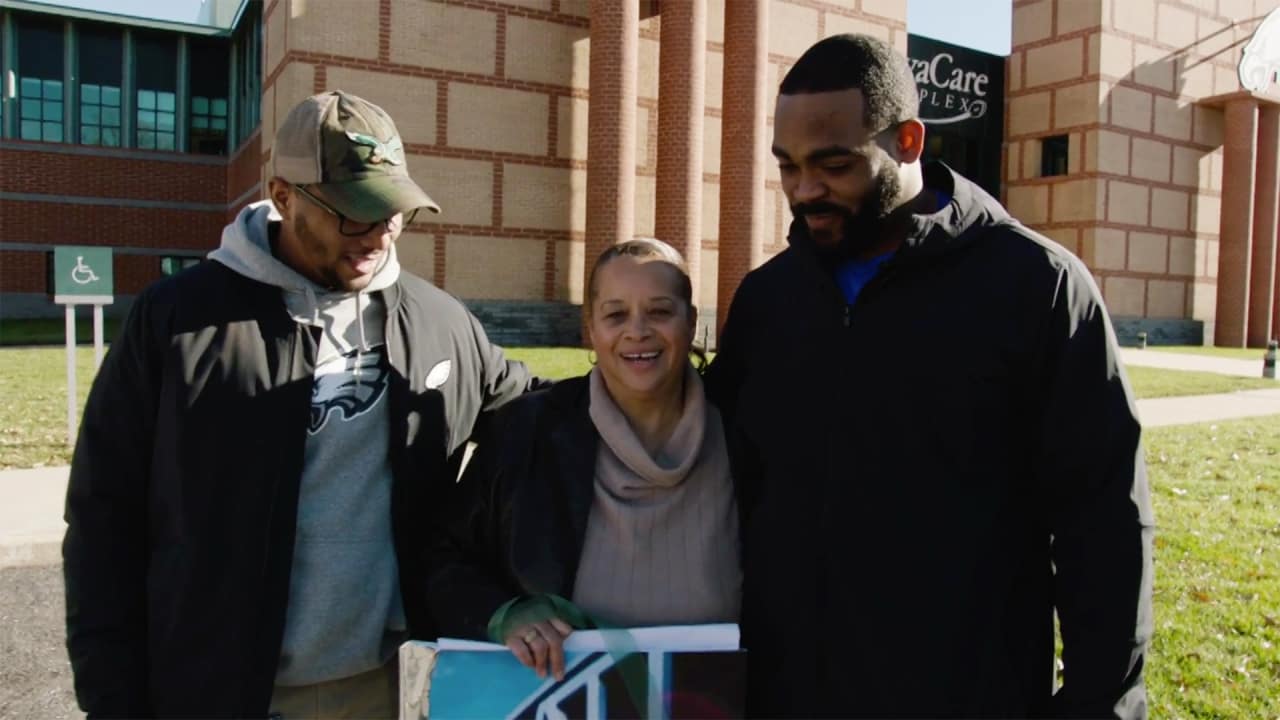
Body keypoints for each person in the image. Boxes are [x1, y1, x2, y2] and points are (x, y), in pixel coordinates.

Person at [705, 34, 1154, 718]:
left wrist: (1099, 704)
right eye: (788, 167)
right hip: (788, 694)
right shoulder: (768, 301)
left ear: (909, 141)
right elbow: (712, 476)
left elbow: (1106, 526)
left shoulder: (1037, 289)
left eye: (832, 164)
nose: (805, 191)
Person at [62, 90, 541, 719]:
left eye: (394, 212)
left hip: (390, 688)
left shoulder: (439, 322)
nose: (377, 235)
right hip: (222, 690)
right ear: (284, 196)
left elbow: (542, 413)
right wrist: (112, 700)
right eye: (353, 214)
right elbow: (104, 522)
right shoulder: (179, 321)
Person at [427, 238, 741, 681]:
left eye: (659, 311)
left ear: (691, 322)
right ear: (590, 329)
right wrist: (503, 614)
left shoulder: (743, 435)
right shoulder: (526, 431)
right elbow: (444, 558)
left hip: (715, 700)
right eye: (615, 315)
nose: (637, 331)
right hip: (559, 696)